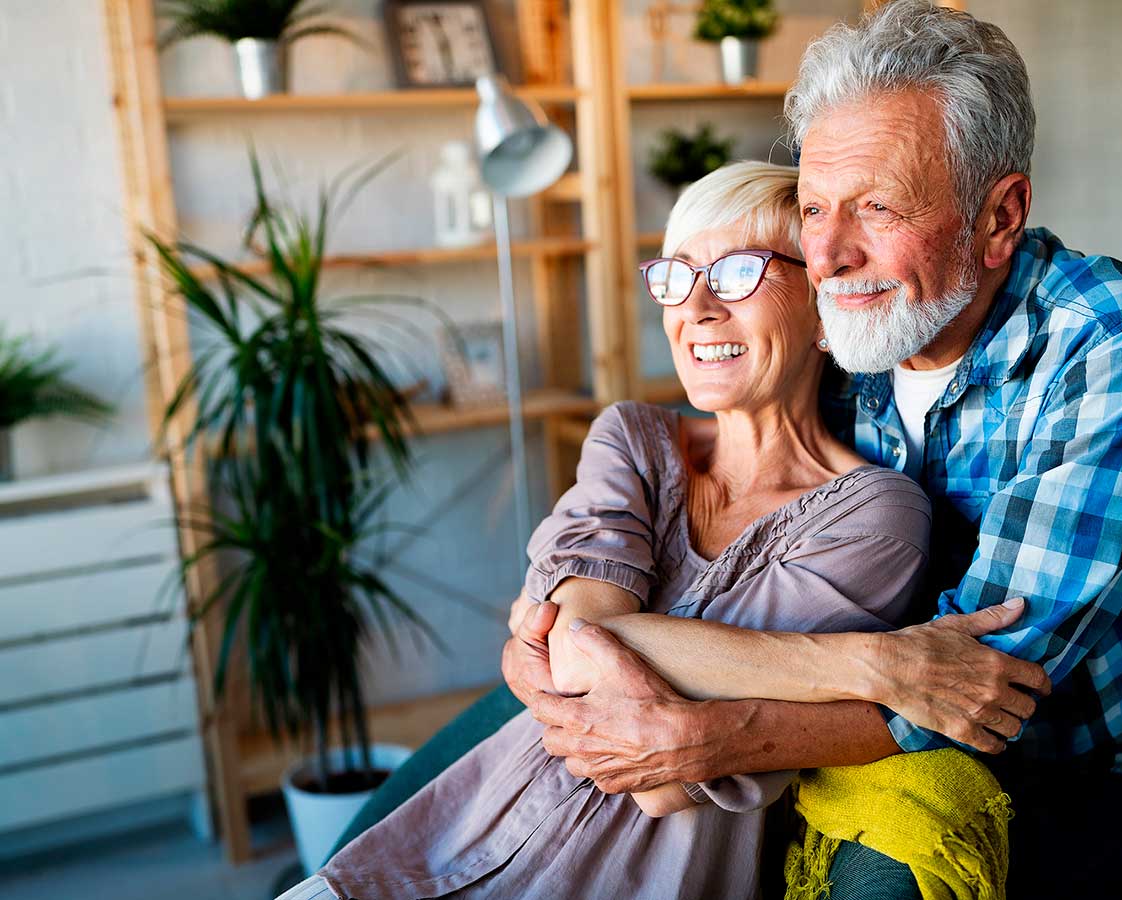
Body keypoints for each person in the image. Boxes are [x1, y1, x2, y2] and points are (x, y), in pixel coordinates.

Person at [517, 3, 1122, 897]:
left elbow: (988, 678)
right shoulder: (845, 334)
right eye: (814, 208)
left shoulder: (1113, 336)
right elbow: (658, 542)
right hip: (896, 720)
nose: (833, 255)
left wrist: (707, 737)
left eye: (878, 206)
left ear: (999, 216)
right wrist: (547, 652)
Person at [280, 161, 1012, 900]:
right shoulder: (633, 438)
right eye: (676, 275)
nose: (694, 308)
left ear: (825, 312)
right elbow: (567, 647)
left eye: (736, 273)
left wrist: (578, 643)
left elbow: (664, 779)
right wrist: (868, 665)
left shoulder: (876, 513)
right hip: (432, 854)